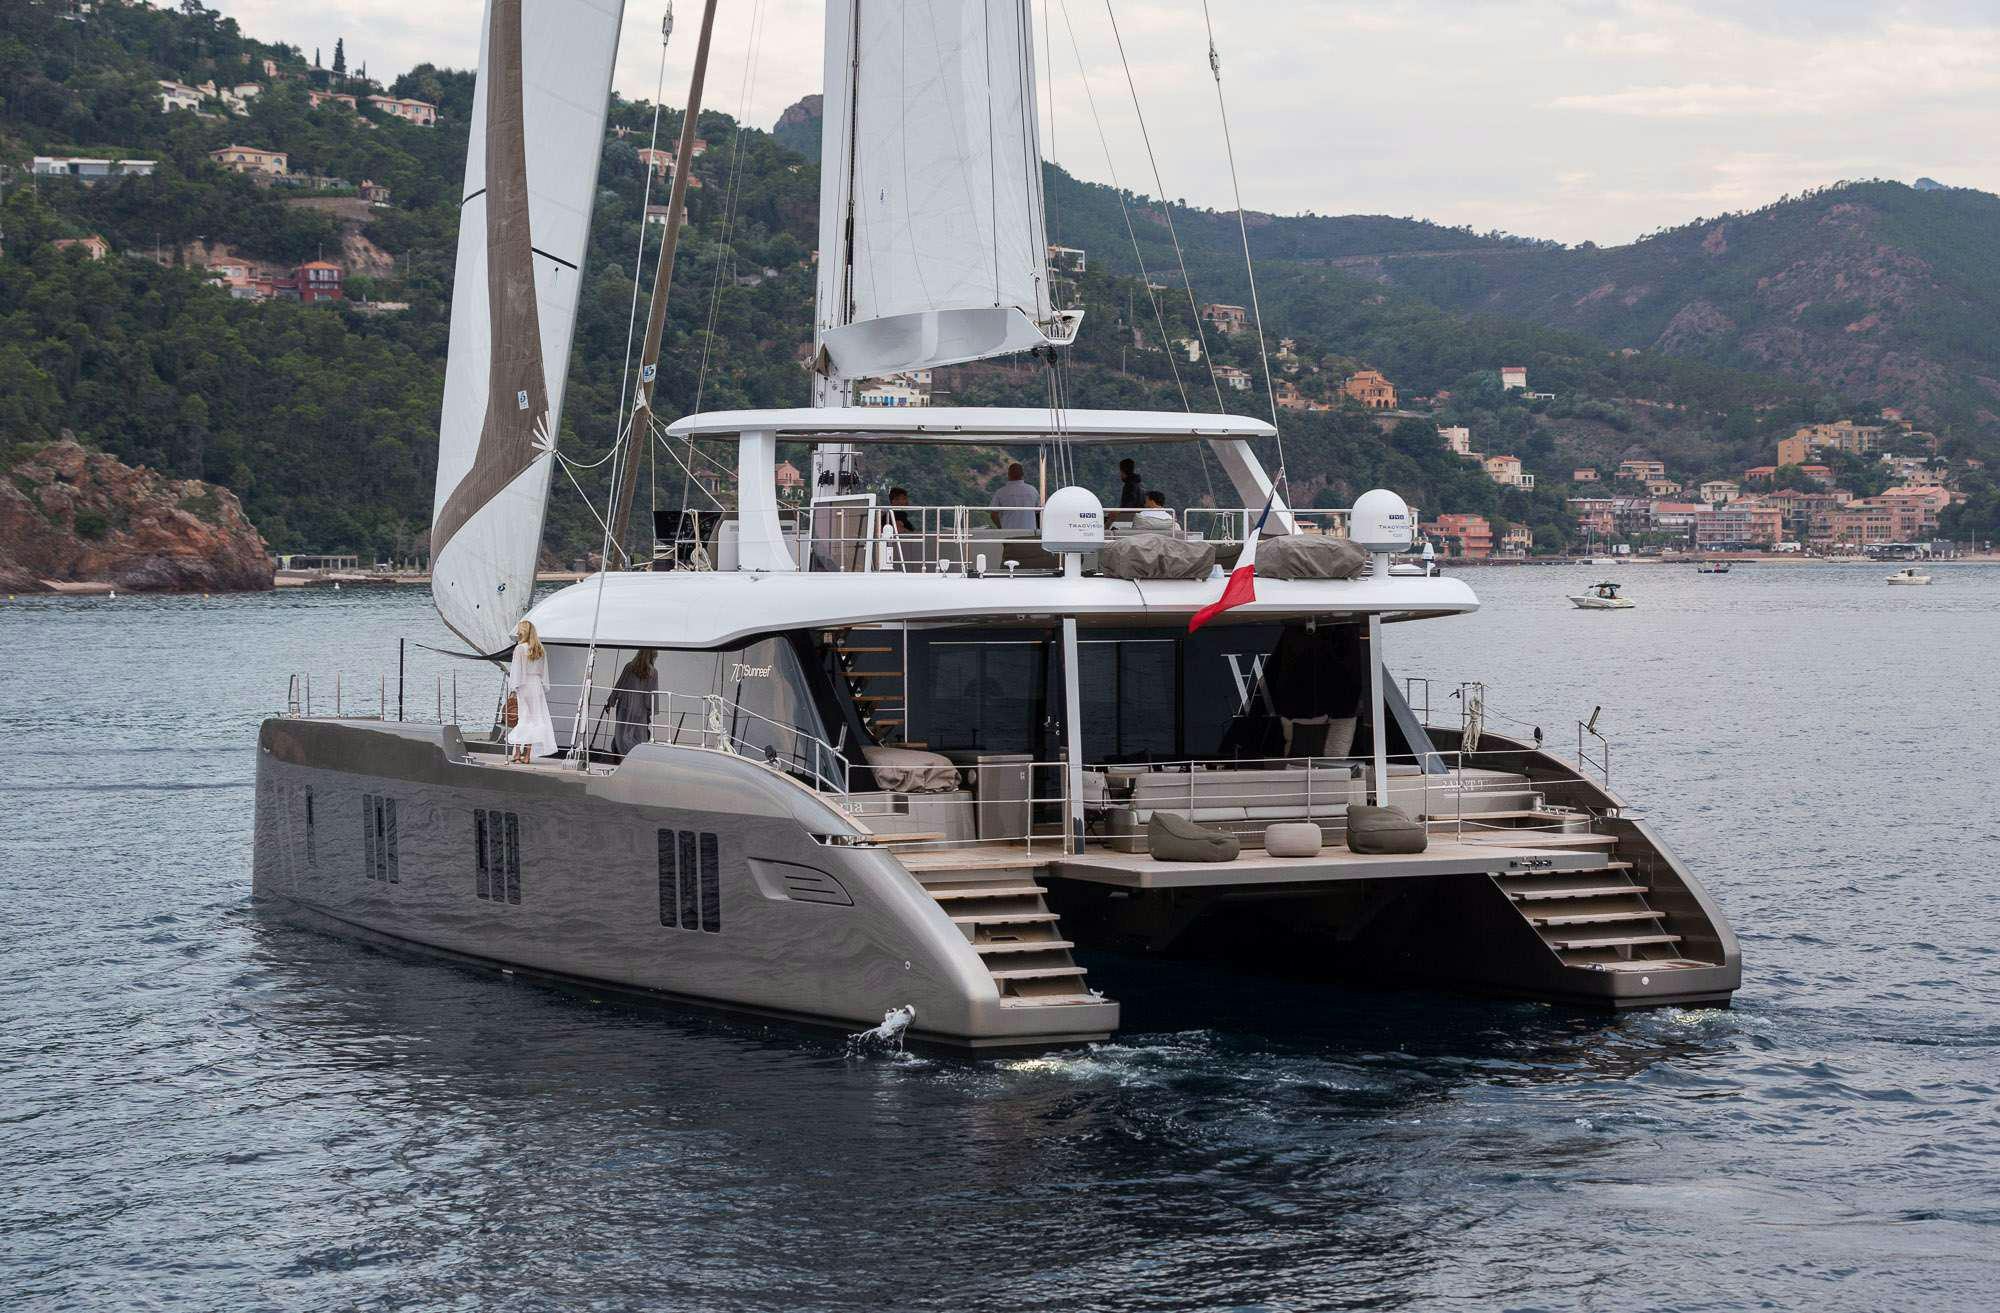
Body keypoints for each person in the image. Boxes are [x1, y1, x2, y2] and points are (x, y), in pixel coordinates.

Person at [506, 619, 556, 764]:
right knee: (534, 720)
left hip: (524, 685)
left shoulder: (520, 648)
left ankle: (517, 753)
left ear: (522, 633)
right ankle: (527, 756)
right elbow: (544, 672)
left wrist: (513, 688)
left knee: (523, 718)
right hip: (536, 685)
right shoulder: (540, 649)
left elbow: (517, 670)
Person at [607, 648, 658, 757]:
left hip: (624, 705)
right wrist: (650, 711)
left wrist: (611, 701)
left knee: (622, 733)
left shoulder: (629, 666)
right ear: (652, 656)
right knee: (638, 735)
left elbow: (620, 685)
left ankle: (621, 754)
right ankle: (635, 756)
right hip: (640, 707)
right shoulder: (653, 672)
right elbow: (651, 694)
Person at [990, 462, 1040, 530]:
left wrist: (1001, 528)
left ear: (1009, 474)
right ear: (1022, 474)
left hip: (1008, 532)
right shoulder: (1033, 490)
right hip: (1029, 531)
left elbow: (993, 514)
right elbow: (1038, 510)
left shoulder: (1000, 492)